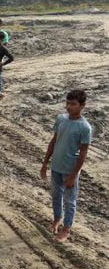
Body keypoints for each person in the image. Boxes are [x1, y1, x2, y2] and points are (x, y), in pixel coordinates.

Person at [40, 90, 92, 243]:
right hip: (56, 167)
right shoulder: (61, 119)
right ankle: (57, 219)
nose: (69, 107)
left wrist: (74, 175)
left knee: (70, 201)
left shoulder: (85, 127)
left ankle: (66, 228)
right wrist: (45, 163)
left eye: (73, 104)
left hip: (70, 170)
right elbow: (54, 141)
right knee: (56, 195)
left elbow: (83, 153)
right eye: (68, 103)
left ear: (82, 106)